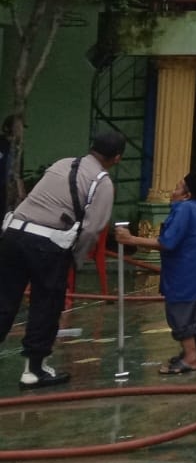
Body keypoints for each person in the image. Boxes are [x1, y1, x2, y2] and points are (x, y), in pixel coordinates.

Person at [0, 131, 125, 388]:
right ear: (117, 158)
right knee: (46, 305)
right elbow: (92, 230)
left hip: (13, 235)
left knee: (3, 299)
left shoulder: (62, 163)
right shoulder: (102, 183)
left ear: (91, 148)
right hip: (47, 245)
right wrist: (76, 261)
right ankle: (34, 370)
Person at [114, 172, 196, 374]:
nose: (173, 192)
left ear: (187, 195)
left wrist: (131, 240)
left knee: (181, 316)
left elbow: (167, 242)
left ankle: (191, 358)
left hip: (184, 272)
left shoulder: (184, 209)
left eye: (177, 188)